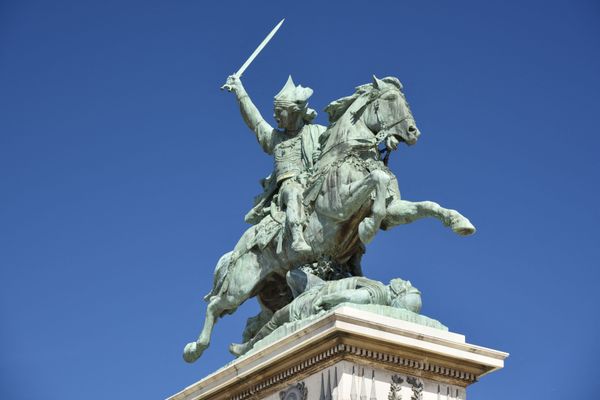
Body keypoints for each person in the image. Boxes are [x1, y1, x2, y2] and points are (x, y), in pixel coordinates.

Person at [224, 75, 326, 255]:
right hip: (288, 187)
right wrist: (240, 91)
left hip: (316, 181)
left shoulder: (318, 132)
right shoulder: (275, 139)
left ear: (293, 111)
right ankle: (297, 238)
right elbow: (255, 121)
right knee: (294, 191)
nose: (274, 115)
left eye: (279, 112)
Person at [228, 270, 422, 356]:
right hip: (321, 287)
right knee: (291, 275)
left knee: (278, 317)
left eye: (405, 287)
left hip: (317, 296)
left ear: (397, 294)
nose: (406, 282)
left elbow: (352, 297)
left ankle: (249, 347)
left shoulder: (376, 293)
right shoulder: (379, 288)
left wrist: (327, 299)